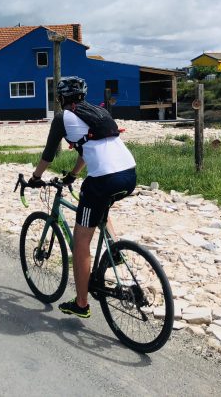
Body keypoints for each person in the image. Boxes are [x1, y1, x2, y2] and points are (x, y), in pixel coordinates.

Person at [28, 76, 136, 319]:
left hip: (103, 180)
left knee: (81, 242)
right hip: (129, 173)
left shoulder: (62, 118)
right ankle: (115, 250)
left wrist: (36, 178)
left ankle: (81, 303)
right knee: (100, 208)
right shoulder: (98, 113)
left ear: (60, 98)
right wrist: (73, 175)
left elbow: (48, 156)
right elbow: (88, 149)